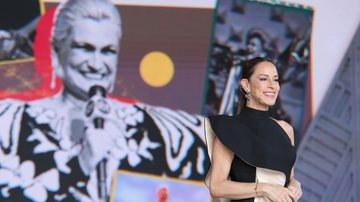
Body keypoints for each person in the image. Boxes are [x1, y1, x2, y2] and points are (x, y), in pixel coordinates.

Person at [0, 0, 207, 201]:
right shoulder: (9, 122)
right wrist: (81, 165)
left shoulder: (167, 131)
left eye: (108, 51)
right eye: (84, 48)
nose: (96, 64)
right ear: (56, 51)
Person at [204, 57, 302, 202]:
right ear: (246, 85)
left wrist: (295, 184)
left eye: (275, 80)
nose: (272, 85)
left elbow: (289, 176)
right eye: (263, 79)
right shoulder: (229, 128)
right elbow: (217, 187)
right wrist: (264, 188)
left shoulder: (286, 129)